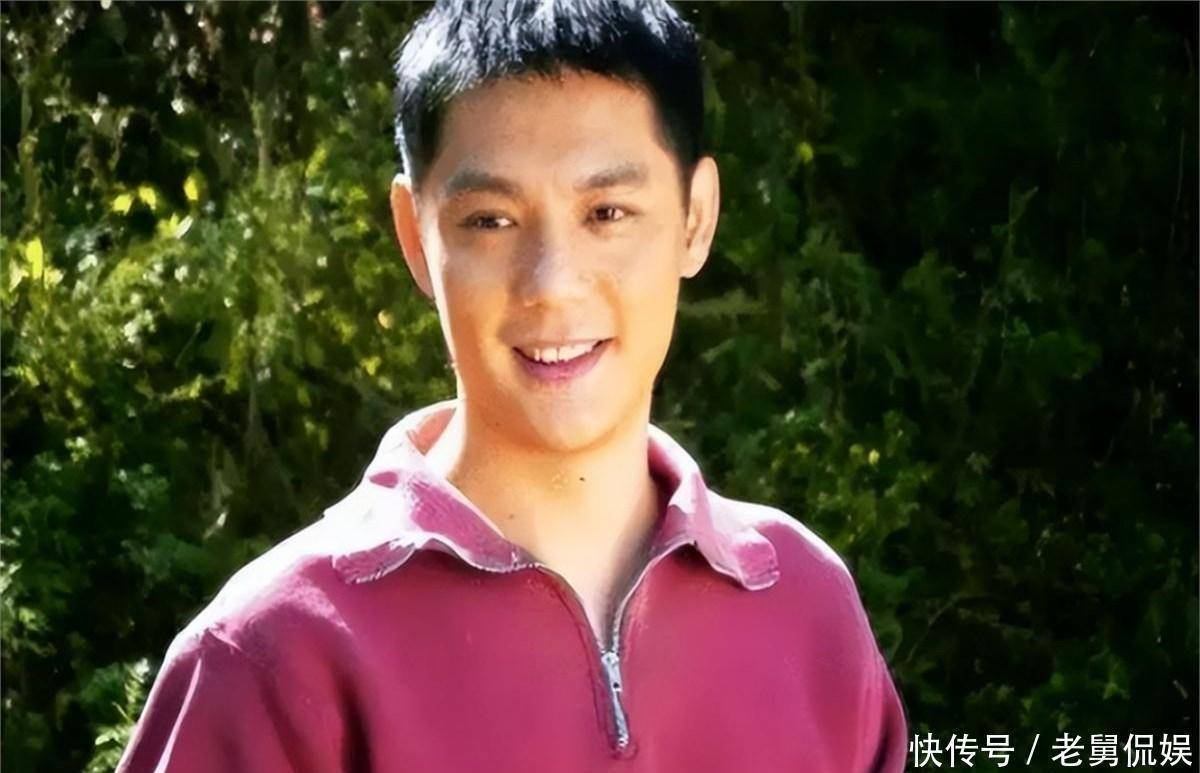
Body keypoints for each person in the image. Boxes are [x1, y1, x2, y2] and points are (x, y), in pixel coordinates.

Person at [117, 1, 908, 770]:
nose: (552, 284)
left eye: (607, 212)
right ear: (415, 236)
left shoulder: (805, 608)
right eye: (491, 221)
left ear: (695, 216)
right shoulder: (277, 654)